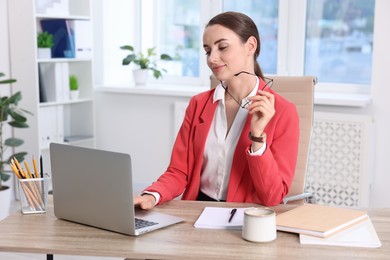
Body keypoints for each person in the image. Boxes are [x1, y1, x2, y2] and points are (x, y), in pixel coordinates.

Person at [134, 11, 299, 209]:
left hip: (245, 218)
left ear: (251, 46)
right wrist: (153, 195)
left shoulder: (283, 112)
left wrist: (257, 137)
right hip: (196, 212)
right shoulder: (199, 104)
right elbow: (179, 171)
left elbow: (272, 196)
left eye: (222, 47)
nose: (212, 58)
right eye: (207, 50)